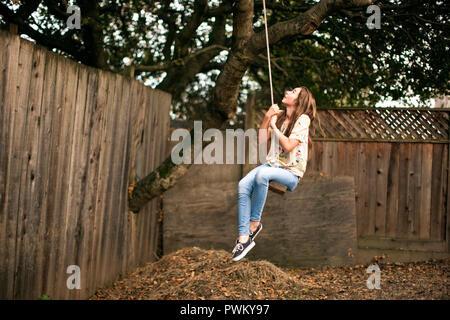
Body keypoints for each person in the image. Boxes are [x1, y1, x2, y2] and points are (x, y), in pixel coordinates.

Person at [231, 86, 317, 262]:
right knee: (243, 185)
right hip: (272, 165)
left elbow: (289, 146)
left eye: (293, 92)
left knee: (262, 175)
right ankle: (243, 239)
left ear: (299, 100)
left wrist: (273, 127)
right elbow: (262, 140)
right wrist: (267, 118)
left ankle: (254, 224)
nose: (287, 92)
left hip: (291, 172)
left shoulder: (303, 119)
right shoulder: (281, 120)